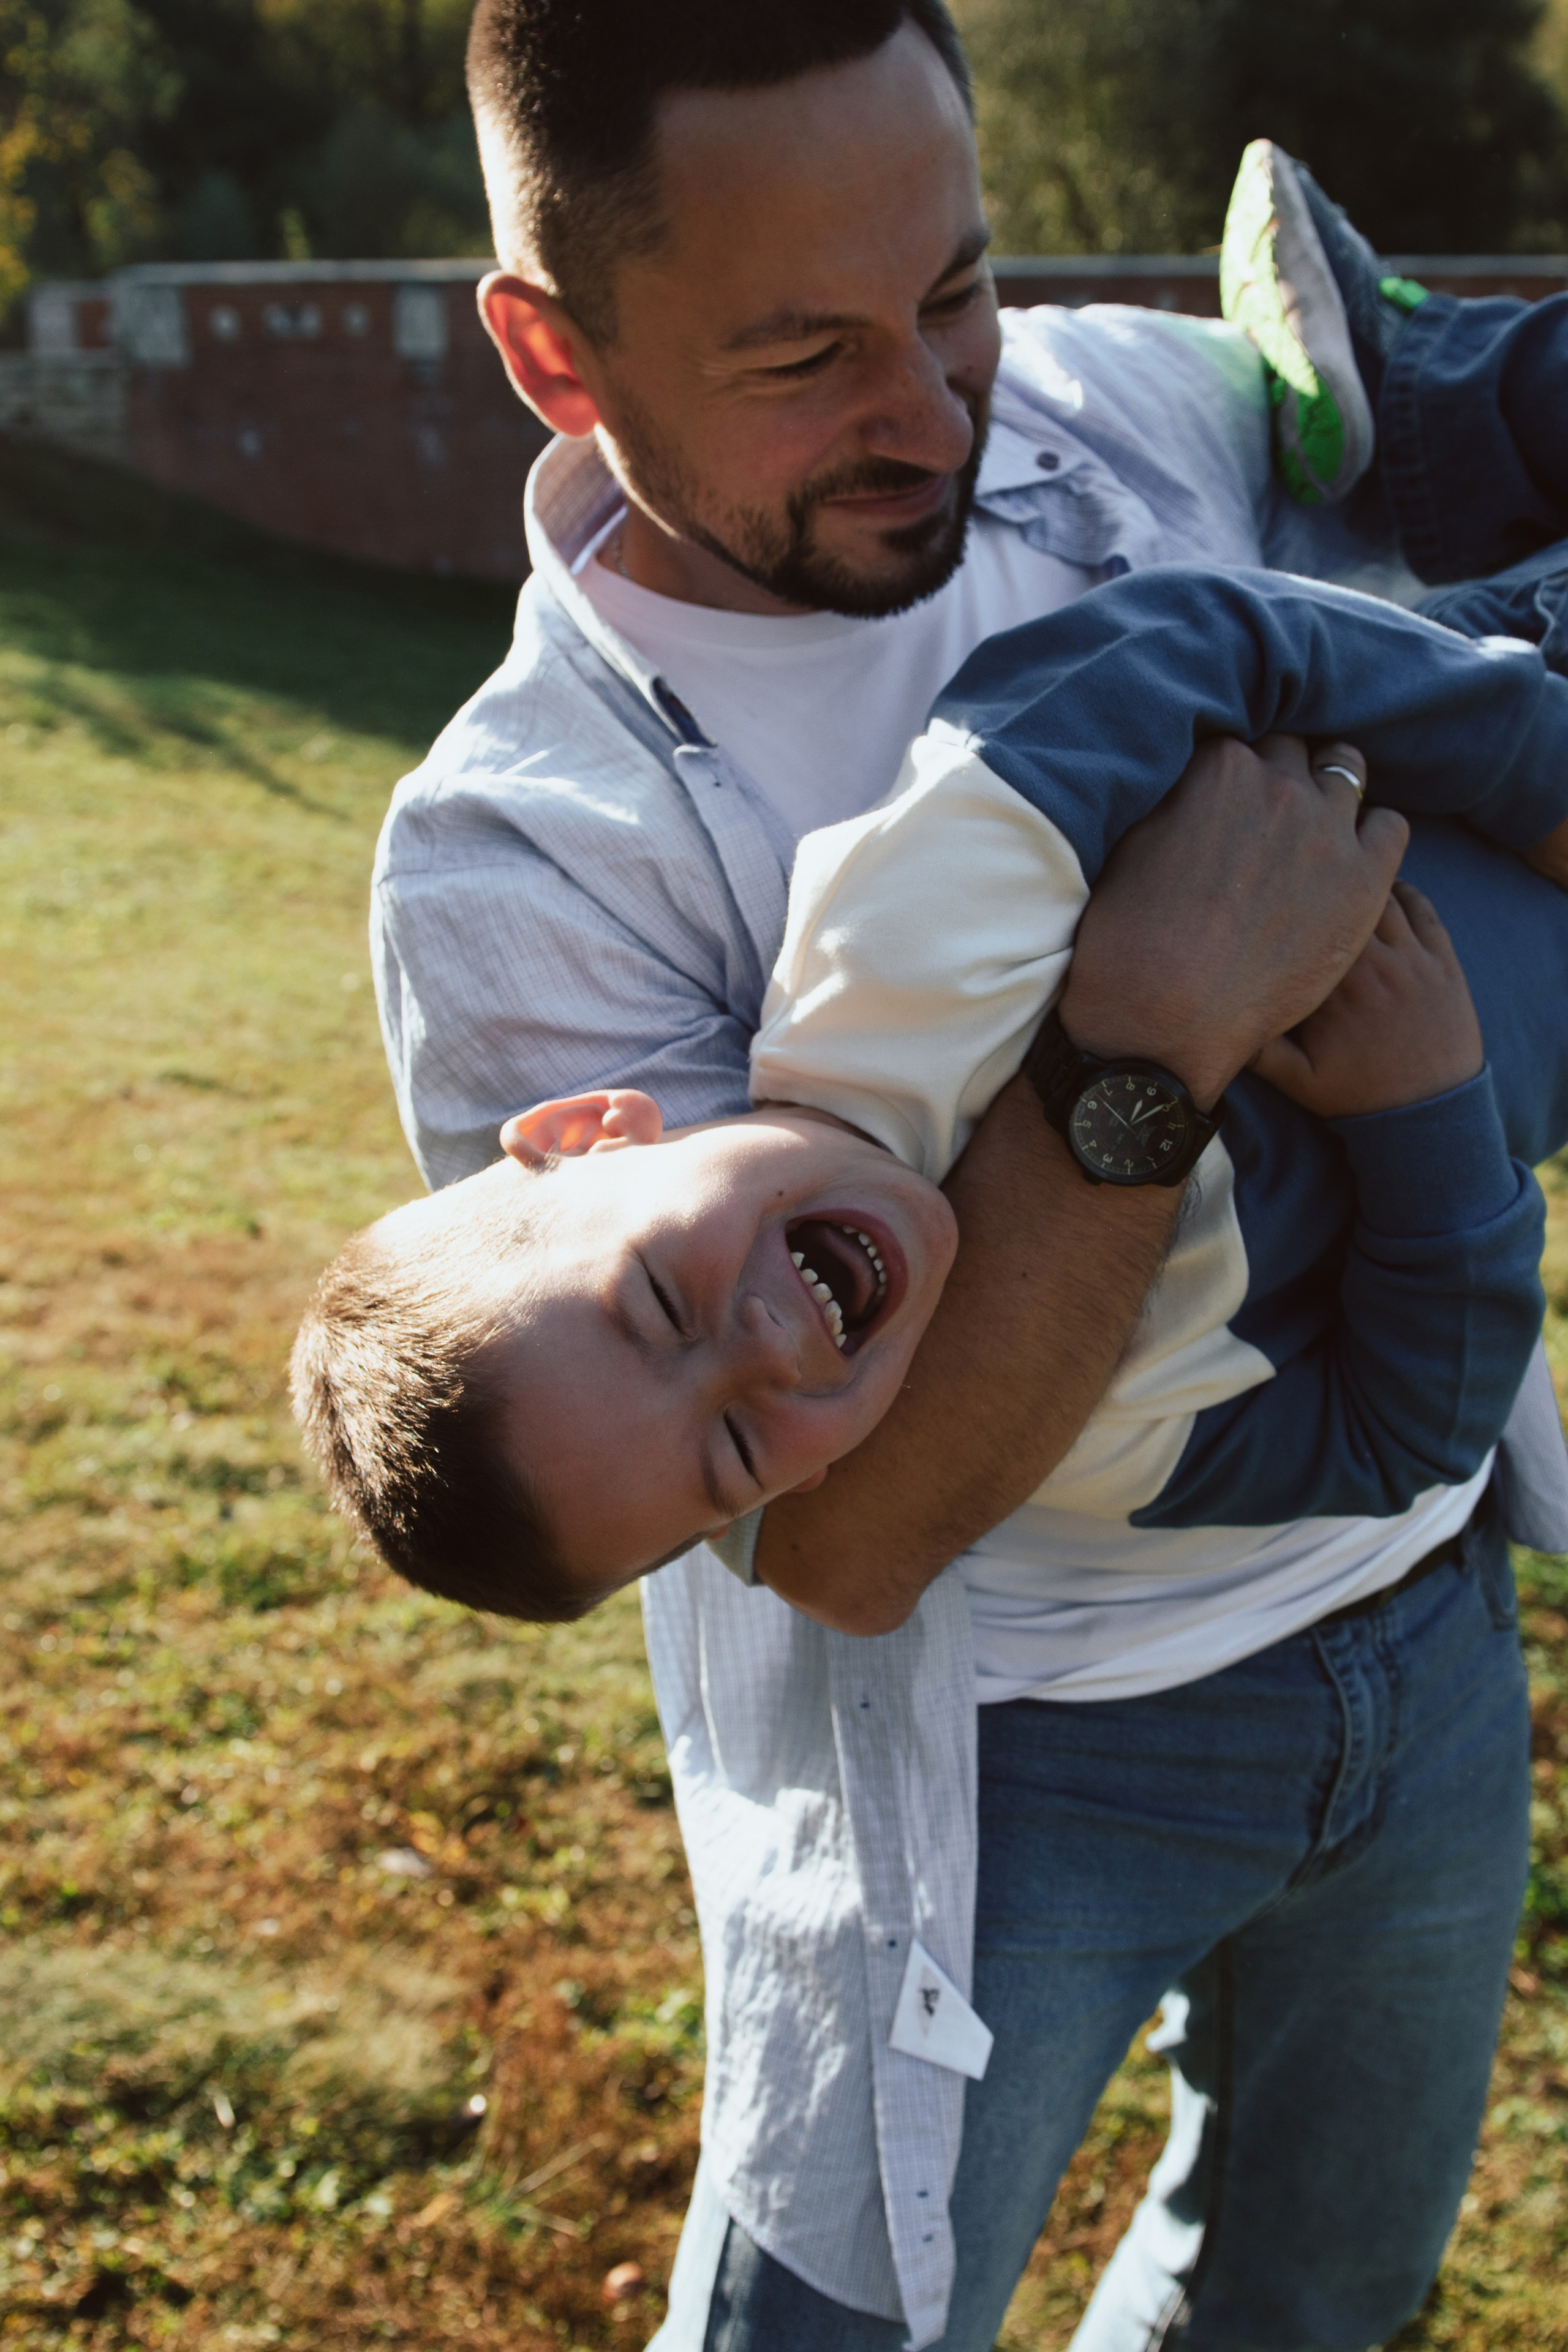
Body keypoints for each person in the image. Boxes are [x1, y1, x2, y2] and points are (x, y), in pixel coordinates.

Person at [369, 4, 1568, 2343]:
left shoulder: (1115, 409)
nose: (932, 411)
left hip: (1420, 1628)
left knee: (1314, 2302)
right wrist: (1143, 1039)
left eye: (954, 290)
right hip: (1008, 1777)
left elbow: (1422, 465)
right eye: (806, 354)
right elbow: (850, 1515)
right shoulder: (515, 862)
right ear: (553, 348)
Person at [301, 559, 1568, 1616]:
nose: (762, 1352)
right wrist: (1425, 1113)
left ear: (594, 1131)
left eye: (657, 1301)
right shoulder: (1070, 1431)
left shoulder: (904, 943)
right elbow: (1398, 1434)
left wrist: (1544, 778)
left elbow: (1204, 638)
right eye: (736, 1450)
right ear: (777, 1505)